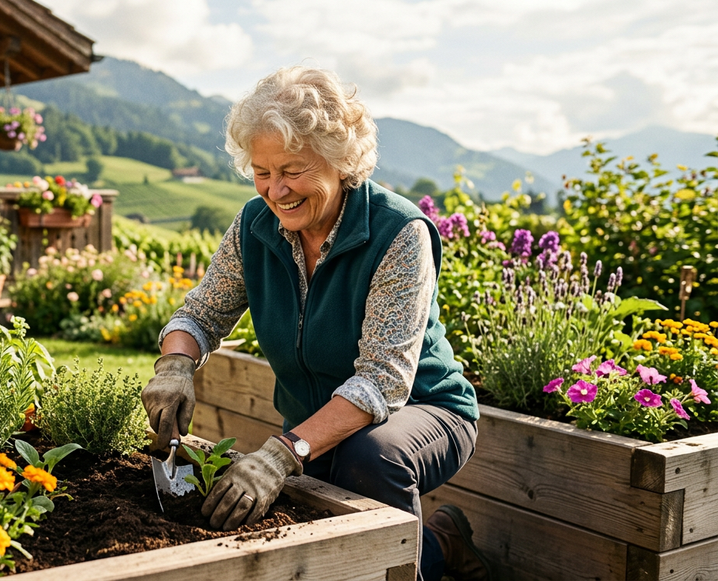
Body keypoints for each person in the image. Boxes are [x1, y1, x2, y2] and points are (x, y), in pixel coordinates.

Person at [141, 66, 492, 581]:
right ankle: (441, 544)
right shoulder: (254, 228)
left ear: (340, 161)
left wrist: (283, 453)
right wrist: (175, 364)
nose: (275, 190)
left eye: (292, 169)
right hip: (316, 425)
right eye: (261, 171)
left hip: (422, 412)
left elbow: (382, 381)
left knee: (369, 460)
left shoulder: (398, 233)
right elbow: (200, 313)